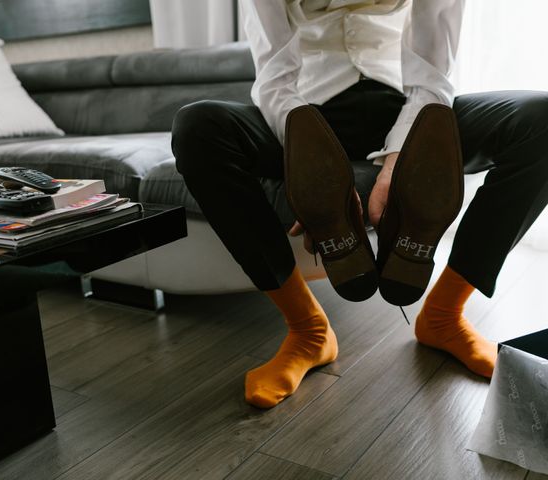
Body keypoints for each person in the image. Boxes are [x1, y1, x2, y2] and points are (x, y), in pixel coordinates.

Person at [171, 0, 548, 408]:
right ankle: (308, 331)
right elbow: (274, 79)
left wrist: (398, 160)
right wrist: (312, 167)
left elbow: (431, 73)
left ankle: (443, 314)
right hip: (305, 113)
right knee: (198, 127)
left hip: (410, 109)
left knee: (540, 121)